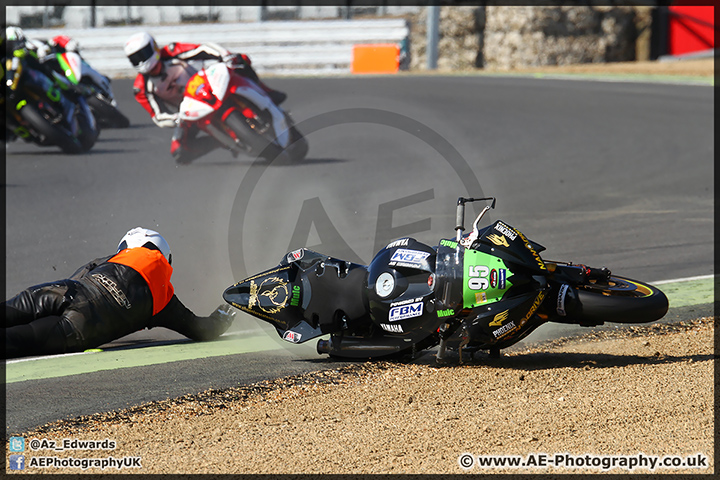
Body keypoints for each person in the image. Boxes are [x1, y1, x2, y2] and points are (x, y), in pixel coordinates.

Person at [3, 227, 236, 359]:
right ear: (165, 257)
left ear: (127, 246)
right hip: (84, 327)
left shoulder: (116, 257)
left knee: (11, 310)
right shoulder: (165, 299)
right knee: (21, 340)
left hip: (69, 291)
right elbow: (202, 330)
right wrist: (224, 315)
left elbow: (84, 272)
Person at [123, 31, 286, 164]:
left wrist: (224, 55)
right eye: (136, 58)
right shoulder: (142, 88)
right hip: (189, 113)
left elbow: (203, 49)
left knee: (240, 59)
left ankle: (267, 92)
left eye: (143, 54)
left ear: (154, 48)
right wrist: (176, 119)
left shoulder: (171, 52)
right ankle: (221, 141)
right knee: (179, 151)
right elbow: (158, 115)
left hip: (208, 86)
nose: (142, 60)